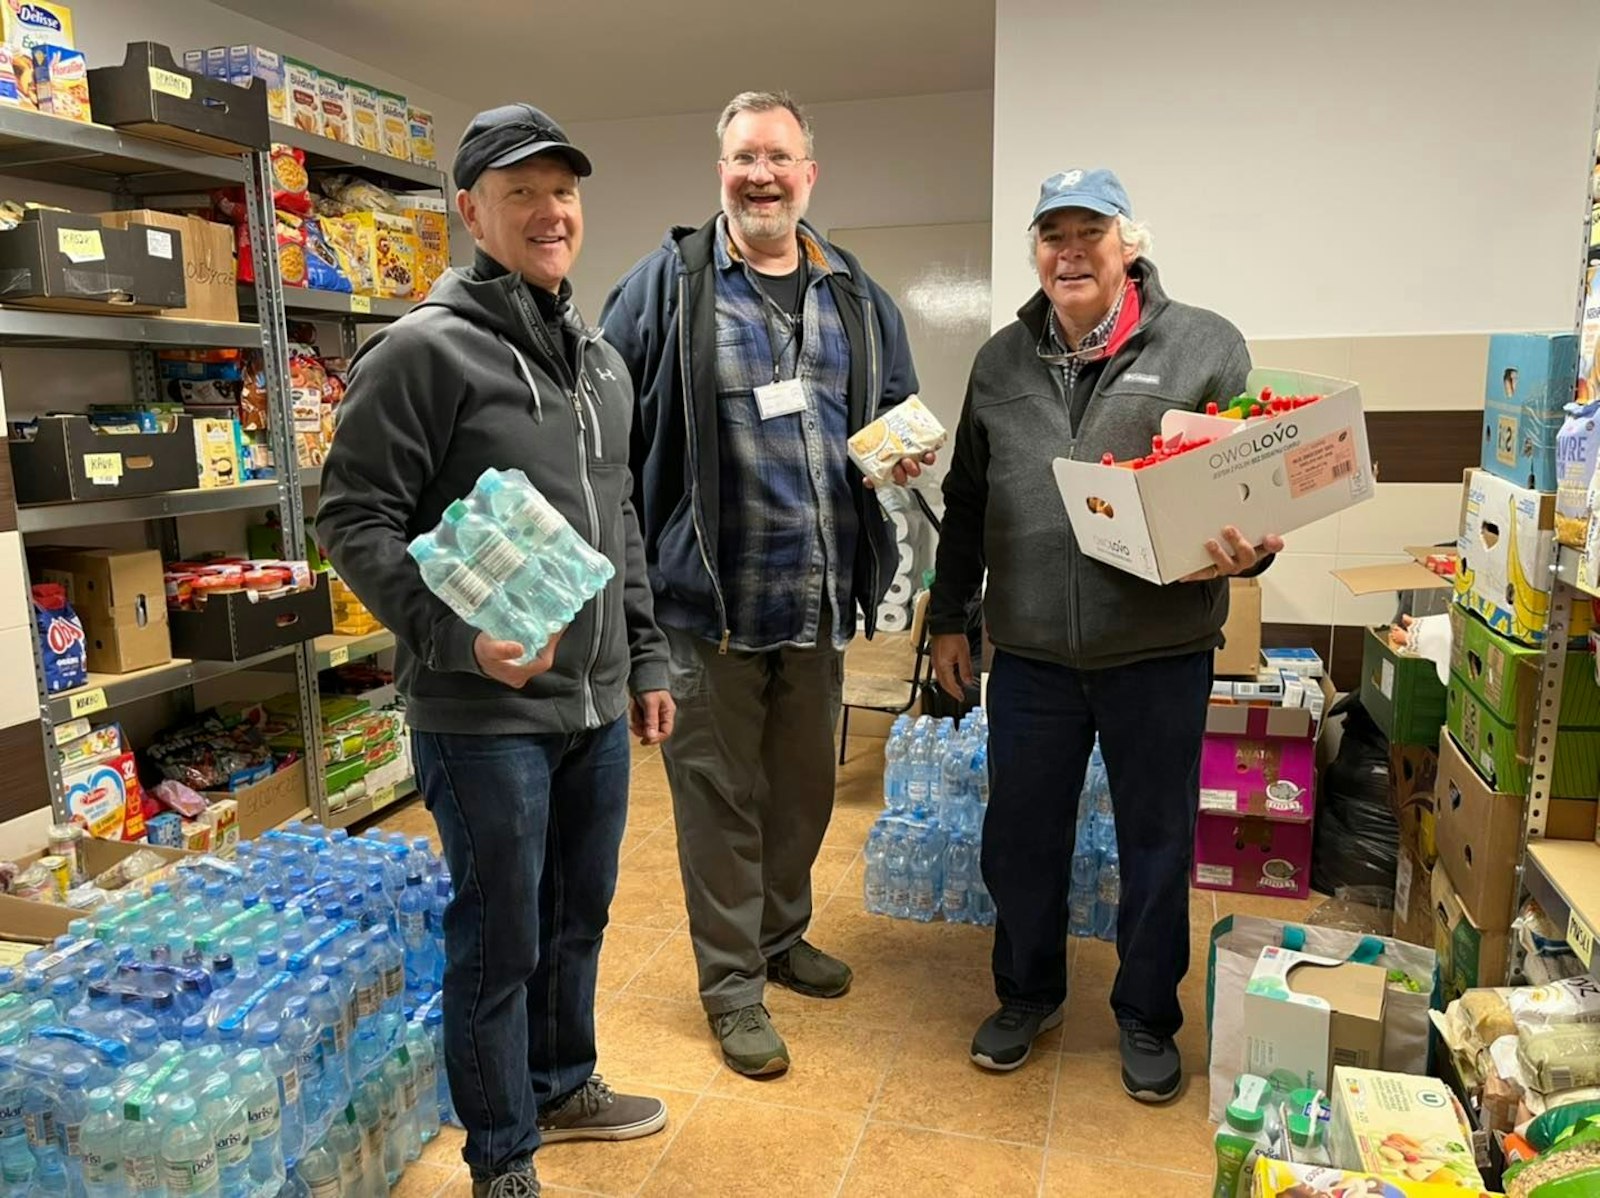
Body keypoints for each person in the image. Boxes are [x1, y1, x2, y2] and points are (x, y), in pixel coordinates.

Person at [317, 103, 676, 1198]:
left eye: (562, 191)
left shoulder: (602, 364)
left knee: (579, 913)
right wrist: (457, 639)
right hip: (480, 717)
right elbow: (351, 515)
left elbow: (620, 527)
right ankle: (501, 1151)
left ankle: (563, 1082)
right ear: (472, 211)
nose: (549, 211)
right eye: (521, 193)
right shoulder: (424, 352)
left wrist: (645, 659)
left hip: (592, 705)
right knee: (498, 935)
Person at [929, 168, 1283, 1103]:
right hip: (1033, 655)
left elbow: (1251, 490)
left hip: (1159, 654)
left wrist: (1249, 555)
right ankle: (1028, 992)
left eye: (1090, 231)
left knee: (1158, 844)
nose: (1070, 250)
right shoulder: (1000, 361)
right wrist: (947, 620)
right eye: (1052, 235)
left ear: (1129, 245)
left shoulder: (1205, 345)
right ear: (1036, 252)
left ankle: (1145, 1015)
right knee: (1019, 837)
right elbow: (967, 503)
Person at [599, 90, 928, 1077]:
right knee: (716, 800)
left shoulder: (854, 294)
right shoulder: (667, 285)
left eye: (779, 157)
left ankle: (782, 936)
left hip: (818, 604)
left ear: (808, 174)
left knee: (800, 793)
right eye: (745, 157)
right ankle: (732, 981)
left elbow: (894, 412)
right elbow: (605, 424)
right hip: (707, 608)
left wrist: (895, 458)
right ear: (722, 171)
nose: (762, 174)